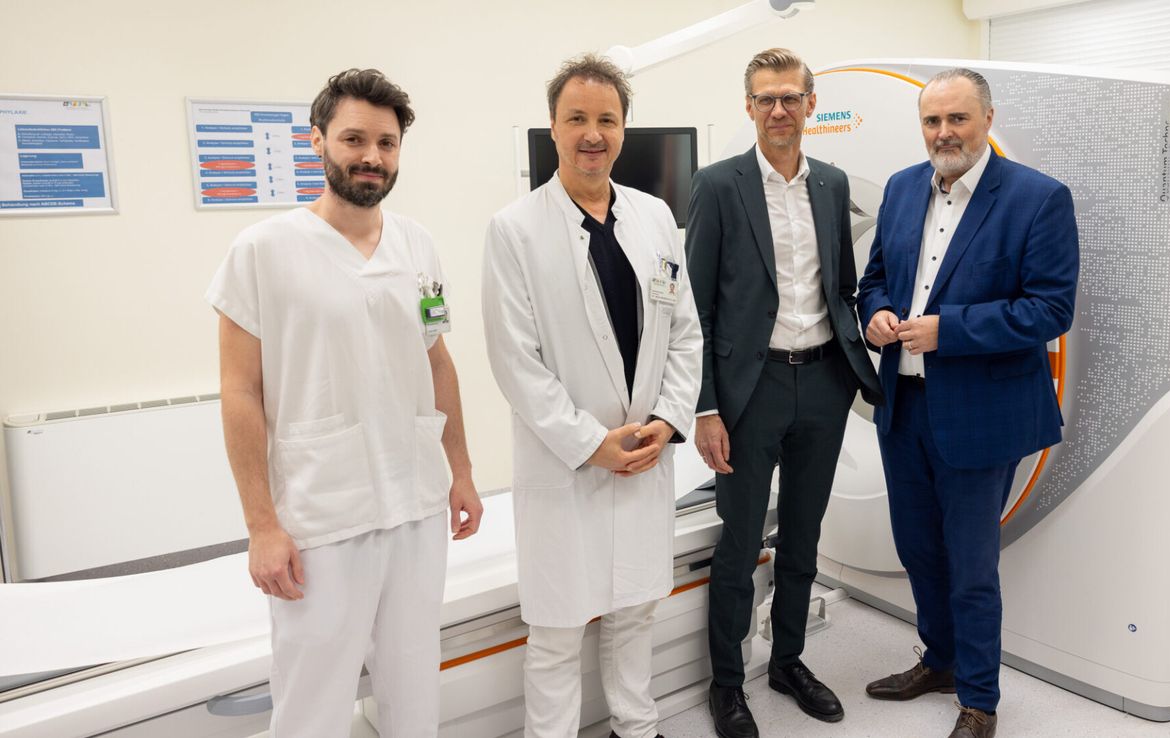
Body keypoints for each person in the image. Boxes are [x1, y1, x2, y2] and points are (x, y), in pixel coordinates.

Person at [208, 68, 483, 738]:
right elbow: (240, 391)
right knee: (312, 704)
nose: (371, 156)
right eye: (354, 138)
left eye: (386, 143)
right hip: (321, 515)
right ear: (317, 141)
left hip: (416, 504)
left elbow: (436, 361)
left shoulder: (416, 244)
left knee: (414, 688)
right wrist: (261, 526)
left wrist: (463, 472)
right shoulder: (263, 251)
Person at [481, 53, 701, 738]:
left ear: (624, 130)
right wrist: (590, 444)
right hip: (565, 465)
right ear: (553, 128)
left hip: (643, 452)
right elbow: (515, 362)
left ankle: (636, 727)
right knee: (556, 626)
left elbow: (685, 331)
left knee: (635, 610)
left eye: (606, 119)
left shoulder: (657, 217)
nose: (592, 133)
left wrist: (666, 420)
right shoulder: (515, 229)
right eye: (577, 118)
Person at [857, 67, 1079, 738]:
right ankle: (942, 660)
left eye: (958, 119)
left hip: (983, 411)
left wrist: (947, 332)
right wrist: (877, 315)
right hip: (906, 405)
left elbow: (1049, 309)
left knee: (971, 564)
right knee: (918, 548)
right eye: (932, 121)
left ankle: (979, 700)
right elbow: (872, 281)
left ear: (986, 119)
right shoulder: (900, 189)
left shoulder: (1037, 198)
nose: (944, 132)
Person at [685, 47, 883, 738]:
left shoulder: (830, 185)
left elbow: (844, 286)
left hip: (825, 381)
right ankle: (728, 683)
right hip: (752, 387)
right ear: (749, 107)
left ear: (809, 104)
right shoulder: (717, 185)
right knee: (741, 544)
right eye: (766, 98)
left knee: (804, 535)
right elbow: (697, 309)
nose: (778, 109)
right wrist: (706, 406)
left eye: (790, 97)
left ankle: (789, 661)